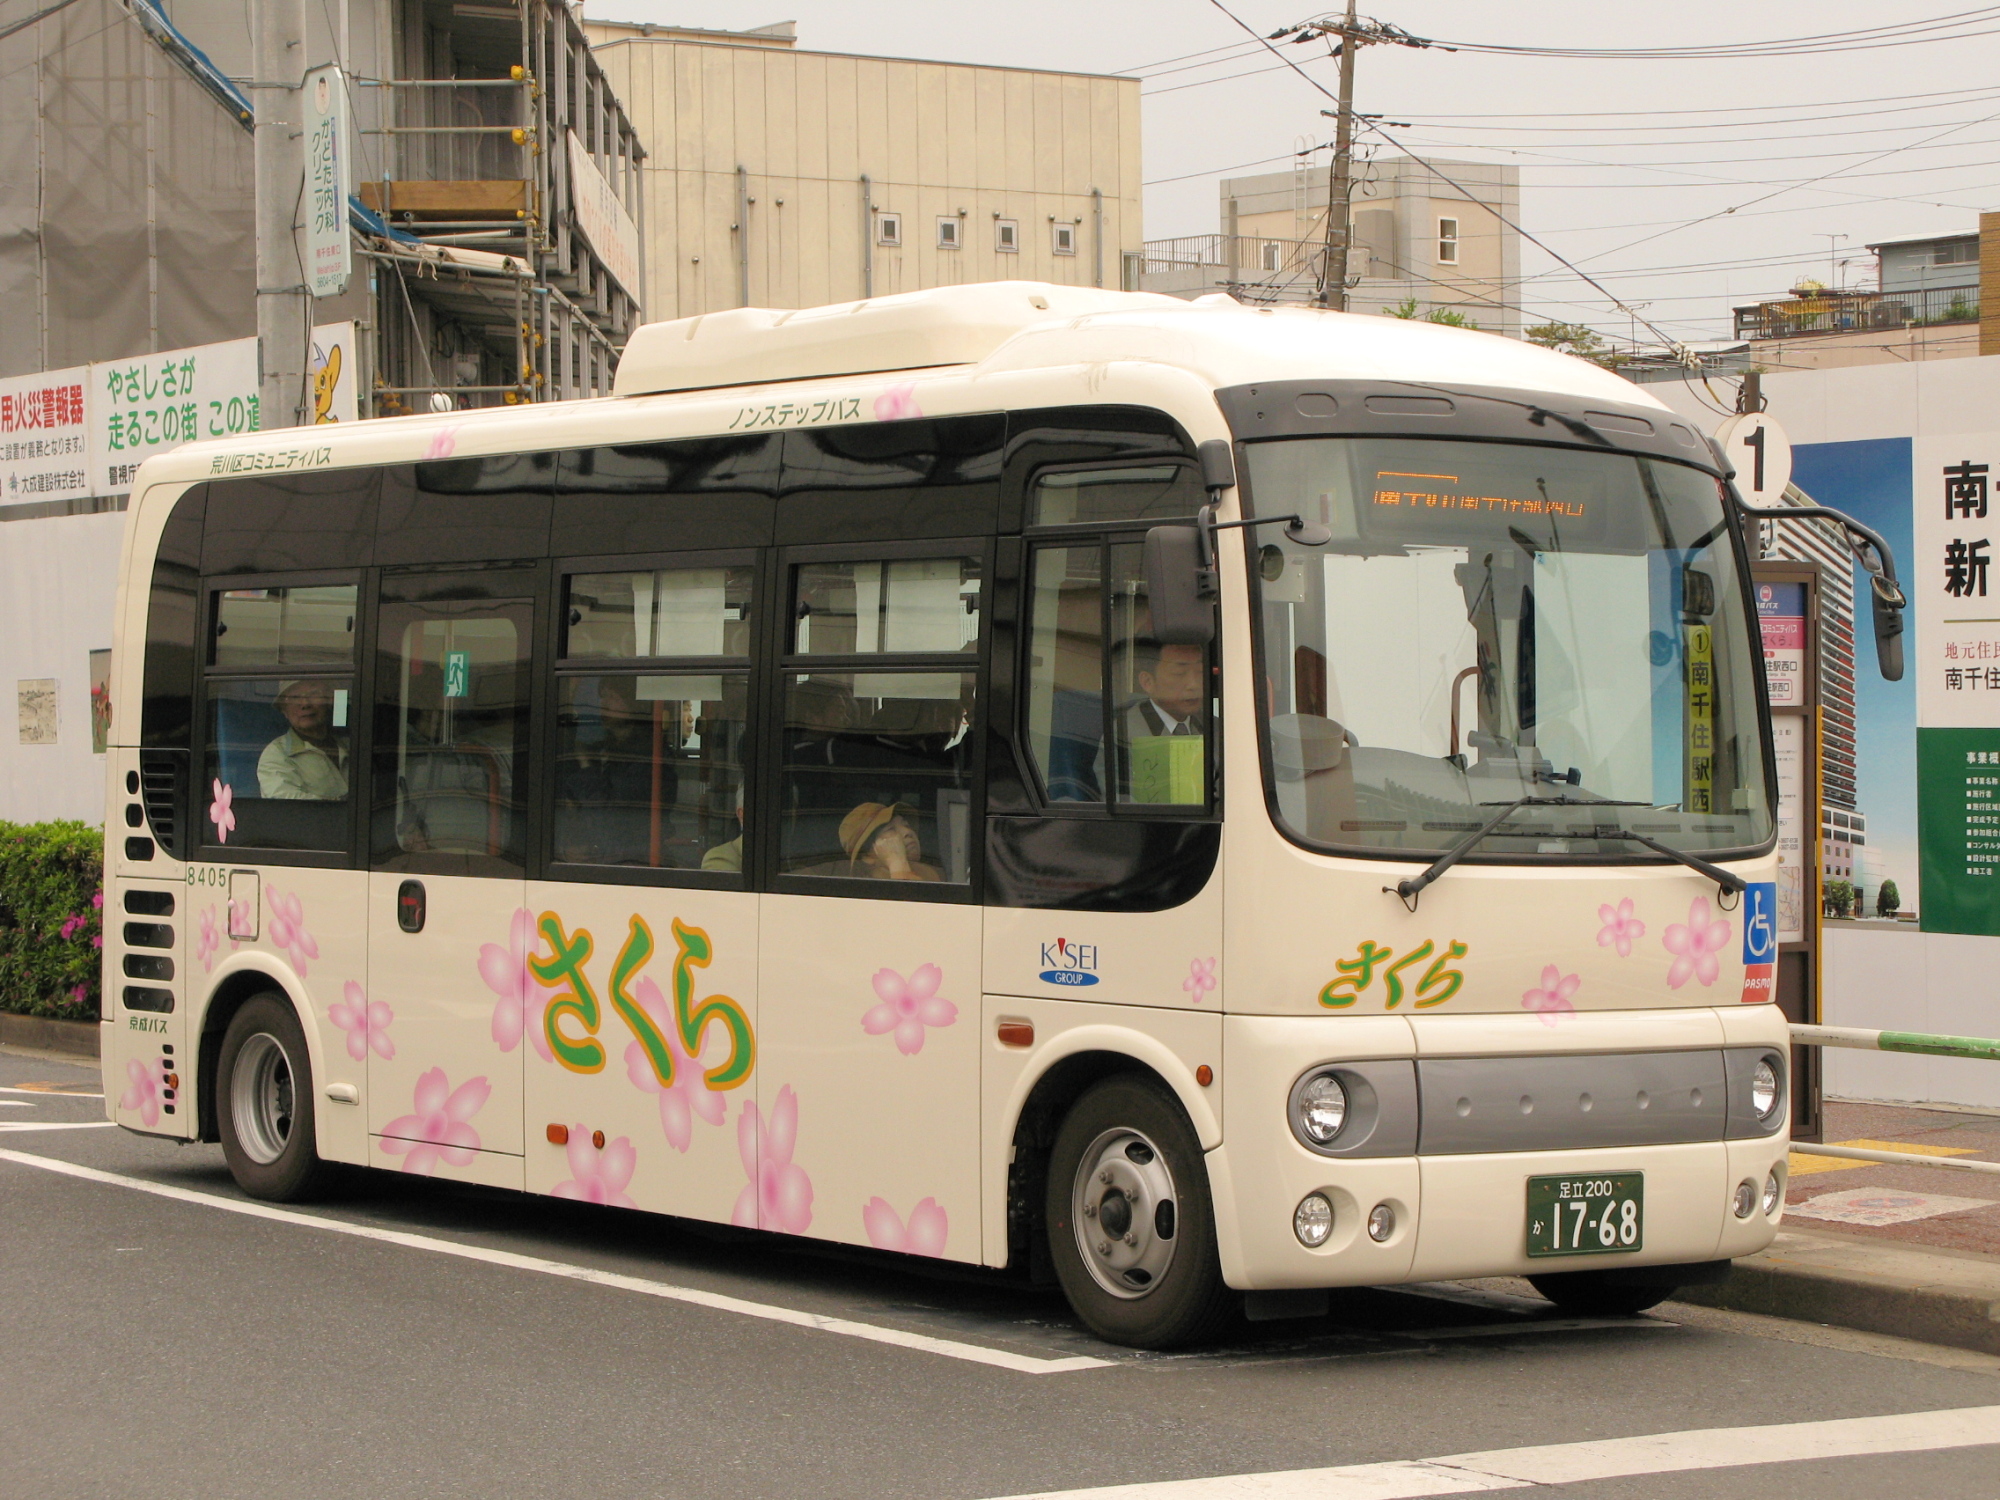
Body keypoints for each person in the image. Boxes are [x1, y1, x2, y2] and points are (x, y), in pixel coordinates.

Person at [258, 679, 349, 799]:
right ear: (284, 710)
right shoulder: (277, 753)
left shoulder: (349, 744)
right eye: (295, 697)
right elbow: (287, 803)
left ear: (329, 701)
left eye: (314, 694)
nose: (305, 704)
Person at [1119, 639, 1207, 742]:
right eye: (1179, 673)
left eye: (1200, 671)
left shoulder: (1217, 728)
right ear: (1148, 682)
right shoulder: (1123, 733)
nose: (1193, 685)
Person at [838, 801, 940, 881]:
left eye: (906, 825)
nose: (908, 832)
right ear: (867, 856)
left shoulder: (927, 874)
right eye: (891, 829)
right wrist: (897, 864)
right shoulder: (863, 891)